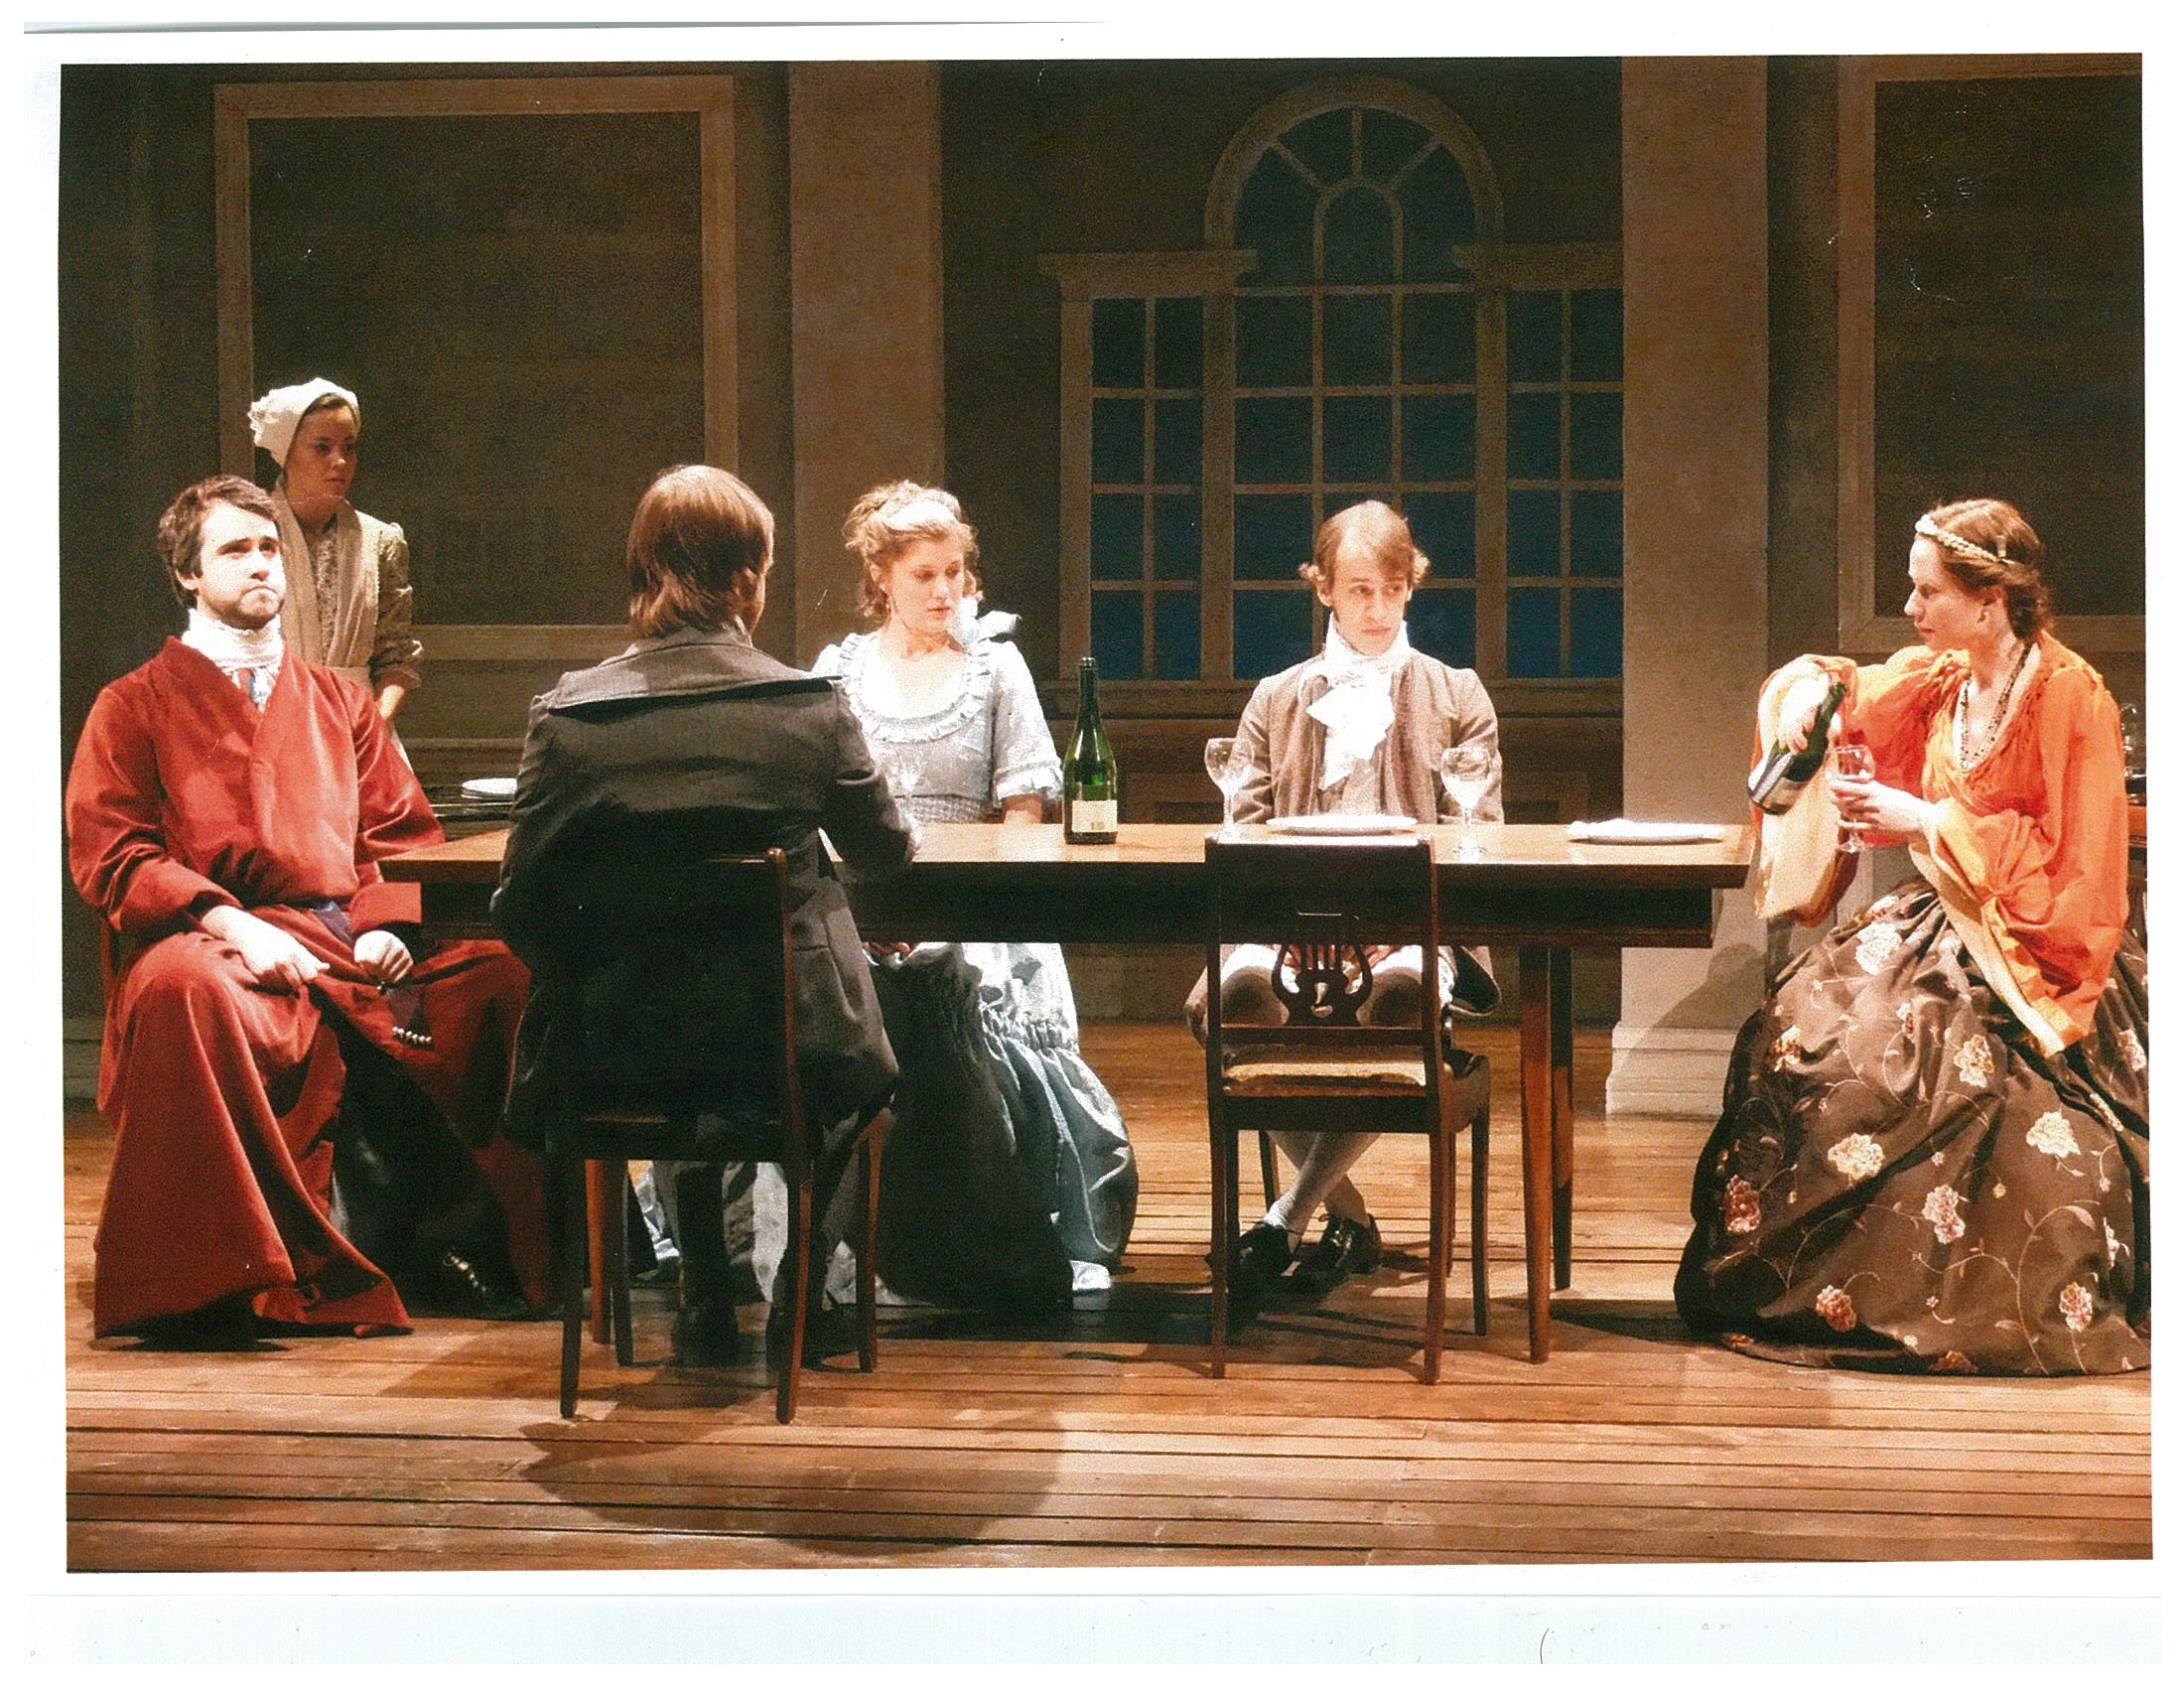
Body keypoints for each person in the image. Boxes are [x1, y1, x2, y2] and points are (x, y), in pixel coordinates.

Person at [66, 475, 540, 1346]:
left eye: (268, 548)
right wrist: (229, 923)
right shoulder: (130, 705)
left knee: (502, 974)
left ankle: (487, 1247)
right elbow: (114, 853)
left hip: (341, 932)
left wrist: (389, 923)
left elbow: (400, 832)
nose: (259, 566)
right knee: (186, 994)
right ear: (187, 575)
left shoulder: (340, 701)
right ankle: (218, 1279)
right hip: (210, 938)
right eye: (234, 550)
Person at [1677, 497, 2148, 1375]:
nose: (1911, 609)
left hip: (2033, 950)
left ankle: (1939, 1295)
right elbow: (1848, 689)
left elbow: (2077, 858)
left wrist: (1926, 818)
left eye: (1927, 592)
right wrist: (1810, 692)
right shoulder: (1945, 678)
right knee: (1801, 1040)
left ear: (1990, 598)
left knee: (1939, 1088)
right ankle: (1794, 1285)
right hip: (1937, 926)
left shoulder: (2068, 695)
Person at [492, 465, 915, 1365]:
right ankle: (803, 1279)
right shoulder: (804, 709)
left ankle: (701, 1290)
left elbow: (521, 905)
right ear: (749, 579)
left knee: (679, 1037)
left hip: (617, 1045)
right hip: (784, 1041)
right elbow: (884, 852)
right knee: (862, 1075)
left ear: (643, 574)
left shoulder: (569, 720)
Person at [799, 480, 1137, 1308]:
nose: (946, 591)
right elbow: (815, 812)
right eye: (925, 575)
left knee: (956, 997)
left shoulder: (994, 667)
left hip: (978, 900)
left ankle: (976, 1235)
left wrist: (959, 907)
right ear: (881, 577)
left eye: (956, 571)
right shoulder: (837, 673)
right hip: (862, 905)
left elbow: (1024, 811)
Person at [1186, 499, 1502, 1305]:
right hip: (1292, 924)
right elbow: (1245, 834)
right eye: (1358, 589)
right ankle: (1348, 1215)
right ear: (1323, 589)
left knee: (1396, 1003)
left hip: (1412, 926)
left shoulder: (1456, 694)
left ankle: (1285, 1218)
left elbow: (1481, 837)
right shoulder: (1277, 698)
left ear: (1411, 588)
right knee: (1228, 1007)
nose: (1376, 608)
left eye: (1393, 589)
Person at [248, 377, 422, 721]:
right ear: (287, 454)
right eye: (322, 447)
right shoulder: (251, 535)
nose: (340, 461)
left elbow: (396, 658)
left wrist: (372, 727)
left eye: (349, 447)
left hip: (359, 725)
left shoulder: (379, 541)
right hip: (272, 724)